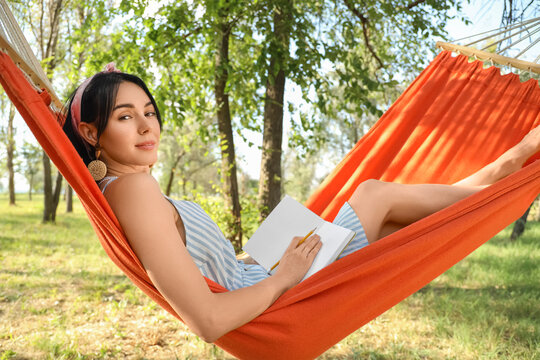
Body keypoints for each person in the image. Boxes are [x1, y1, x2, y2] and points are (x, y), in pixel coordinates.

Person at [62, 64, 540, 343]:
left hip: (265, 276)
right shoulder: (134, 190)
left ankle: (498, 183)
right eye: (126, 117)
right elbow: (208, 321)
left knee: (398, 225)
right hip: (277, 298)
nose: (147, 127)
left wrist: (258, 260)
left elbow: (205, 269)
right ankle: (505, 177)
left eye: (149, 112)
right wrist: (284, 275)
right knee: (374, 195)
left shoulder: (128, 188)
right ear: (90, 132)